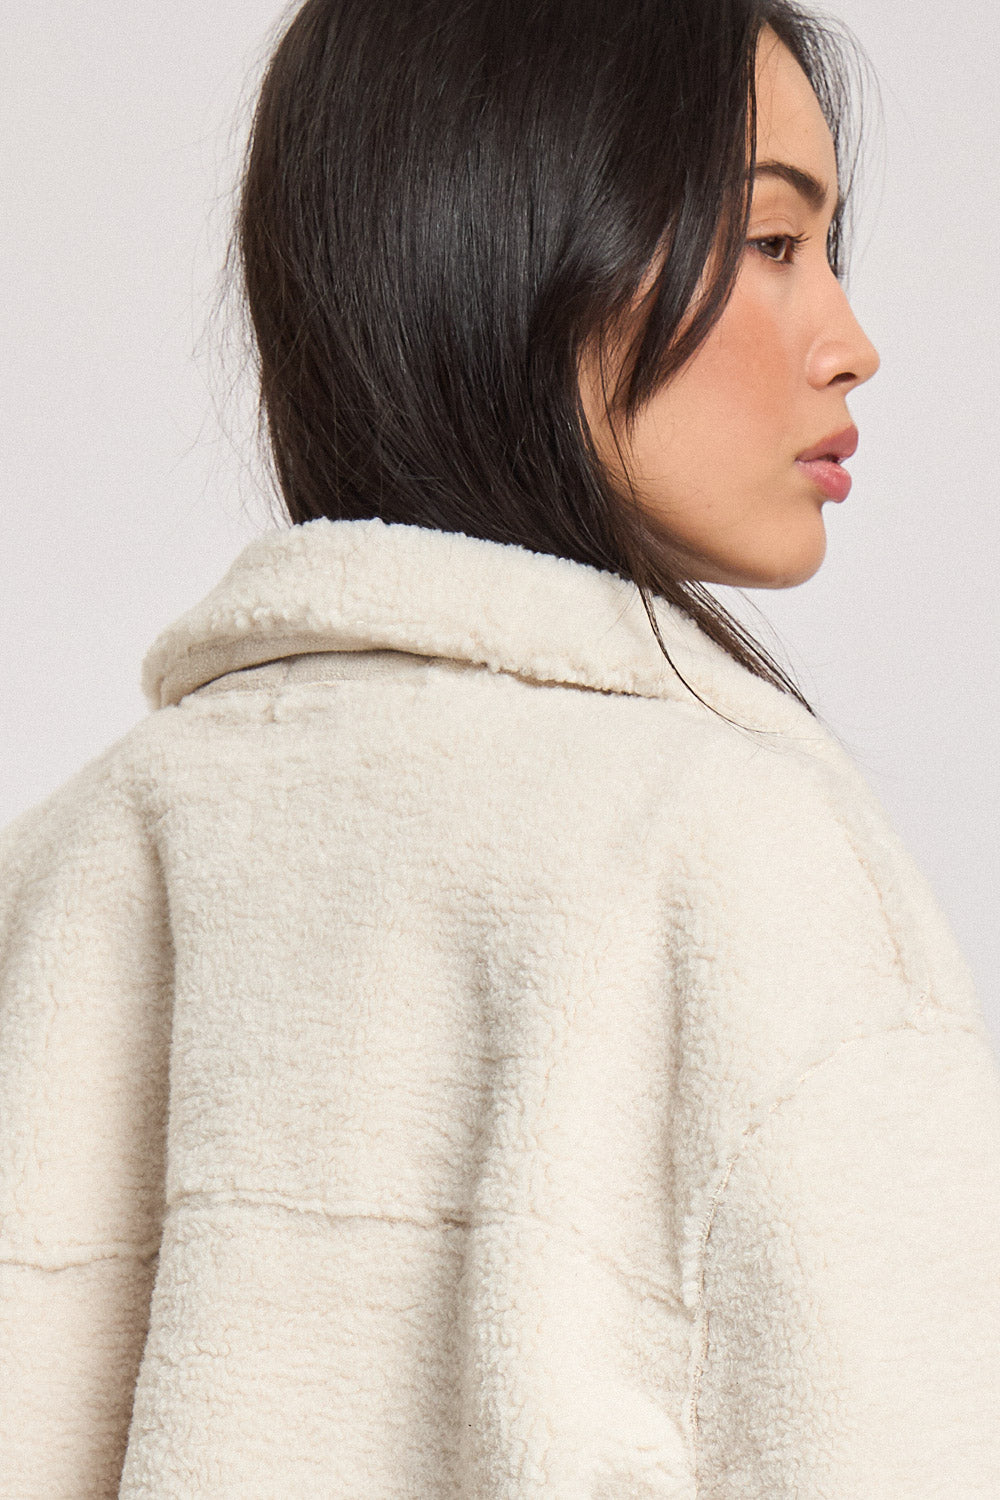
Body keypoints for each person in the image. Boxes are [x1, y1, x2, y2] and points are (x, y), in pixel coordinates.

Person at [1, 0, 998, 1494]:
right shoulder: (735, 859)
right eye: (773, 241)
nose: (850, 346)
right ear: (512, 242)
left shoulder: (71, 863)